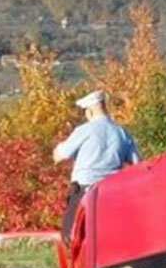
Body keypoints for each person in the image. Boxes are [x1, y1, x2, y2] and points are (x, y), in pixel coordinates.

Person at [53, 90, 140, 243]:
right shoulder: (122, 132)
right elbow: (137, 164)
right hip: (113, 191)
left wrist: (58, 149)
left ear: (90, 111)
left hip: (84, 190)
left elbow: (61, 155)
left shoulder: (85, 130)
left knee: (70, 235)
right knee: (110, 236)